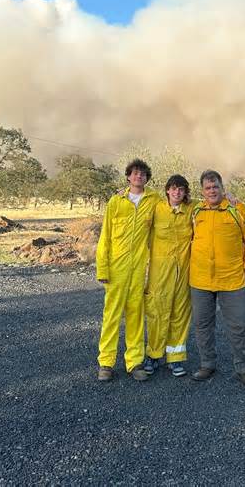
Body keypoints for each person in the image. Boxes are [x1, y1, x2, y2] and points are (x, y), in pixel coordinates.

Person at [190, 169, 245, 387]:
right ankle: (207, 364)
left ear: (222, 188)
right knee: (202, 325)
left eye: (215, 187)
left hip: (231, 279)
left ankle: (243, 368)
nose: (212, 191)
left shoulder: (237, 209)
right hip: (200, 279)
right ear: (202, 191)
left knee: (237, 325)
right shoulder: (195, 210)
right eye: (208, 188)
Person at [96, 159, 161, 382]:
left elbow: (177, 203)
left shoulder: (154, 201)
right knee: (111, 315)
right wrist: (102, 268)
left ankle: (134, 363)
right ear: (128, 177)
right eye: (134, 173)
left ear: (147, 178)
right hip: (116, 268)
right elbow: (105, 237)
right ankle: (106, 362)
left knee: (136, 316)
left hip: (139, 269)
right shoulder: (116, 202)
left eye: (143, 174)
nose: (138, 177)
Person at [143, 175, 193, 378]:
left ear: (185, 192)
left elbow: (213, 199)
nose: (177, 193)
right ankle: (153, 354)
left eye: (181, 189)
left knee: (180, 314)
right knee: (156, 312)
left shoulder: (192, 208)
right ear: (167, 191)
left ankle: (175, 357)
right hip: (160, 272)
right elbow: (138, 200)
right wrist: (124, 191)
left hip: (183, 272)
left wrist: (230, 197)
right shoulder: (156, 207)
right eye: (173, 189)